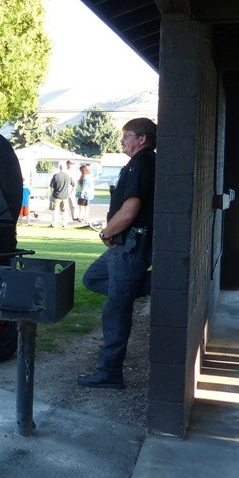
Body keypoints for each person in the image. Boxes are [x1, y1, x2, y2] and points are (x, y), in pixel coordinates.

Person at [78, 118, 156, 389]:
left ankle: (109, 373)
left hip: (130, 247)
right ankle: (151, 285)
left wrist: (106, 233)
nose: (123, 140)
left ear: (142, 139)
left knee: (116, 309)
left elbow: (129, 211)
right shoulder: (138, 163)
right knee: (92, 278)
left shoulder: (143, 162)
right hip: (123, 247)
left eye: (127, 136)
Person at [49, 164, 74, 229]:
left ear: (59, 168)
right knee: (64, 211)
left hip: (56, 196)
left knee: (55, 210)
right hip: (65, 196)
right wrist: (70, 193)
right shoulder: (68, 176)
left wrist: (52, 194)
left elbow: (51, 186)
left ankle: (54, 223)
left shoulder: (55, 176)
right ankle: (64, 224)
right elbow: (73, 185)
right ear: (65, 168)